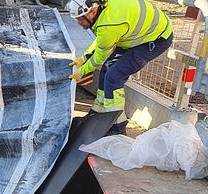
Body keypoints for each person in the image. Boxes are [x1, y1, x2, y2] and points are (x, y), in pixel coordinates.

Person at [67, 0, 174, 134]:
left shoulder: (110, 24)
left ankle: (118, 126)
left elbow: (100, 56)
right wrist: (84, 58)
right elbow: (101, 41)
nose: (78, 22)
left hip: (154, 39)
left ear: (92, 11)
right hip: (138, 33)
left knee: (113, 77)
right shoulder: (105, 12)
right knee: (107, 69)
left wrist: (81, 72)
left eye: (80, 18)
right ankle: (96, 113)